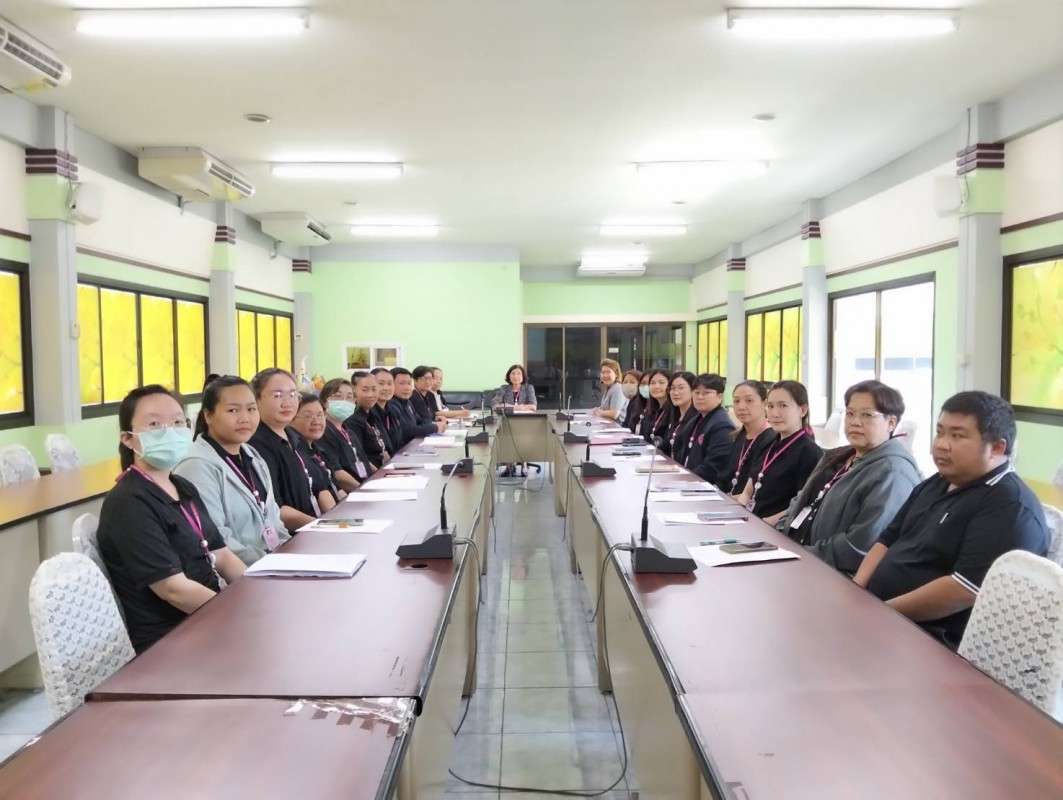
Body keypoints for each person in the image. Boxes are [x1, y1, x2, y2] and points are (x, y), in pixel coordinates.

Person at [853, 391, 1049, 650]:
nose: (942, 445)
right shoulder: (938, 482)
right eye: (940, 432)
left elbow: (962, 590)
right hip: (882, 615)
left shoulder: (1009, 506)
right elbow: (887, 540)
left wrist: (879, 613)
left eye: (957, 436)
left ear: (997, 448)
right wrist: (856, 593)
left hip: (932, 640)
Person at [97, 385, 246, 654]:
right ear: (128, 439)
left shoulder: (182, 486)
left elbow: (222, 556)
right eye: (154, 424)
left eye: (177, 422)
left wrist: (254, 597)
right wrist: (236, 617)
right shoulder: (129, 503)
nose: (169, 431)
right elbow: (173, 589)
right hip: (172, 642)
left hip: (208, 618)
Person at [779, 380, 922, 576]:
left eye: (867, 415)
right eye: (850, 413)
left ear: (891, 423)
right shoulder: (839, 456)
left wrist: (799, 554)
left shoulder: (893, 472)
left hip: (835, 575)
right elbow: (801, 501)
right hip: (798, 557)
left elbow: (860, 546)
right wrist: (778, 538)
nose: (855, 422)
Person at [174, 376, 288, 566]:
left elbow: (274, 520)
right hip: (240, 572)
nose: (245, 418)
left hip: (272, 564)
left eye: (251, 409)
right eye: (233, 410)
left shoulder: (252, 456)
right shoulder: (196, 466)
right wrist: (271, 562)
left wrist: (290, 552)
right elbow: (216, 539)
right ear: (208, 416)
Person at [248, 368, 329, 532]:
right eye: (277, 396)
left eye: (292, 395)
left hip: (315, 527)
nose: (287, 403)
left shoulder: (294, 436)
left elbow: (321, 487)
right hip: (291, 536)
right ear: (255, 400)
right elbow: (275, 509)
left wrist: (334, 521)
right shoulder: (256, 445)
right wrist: (322, 526)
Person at [736, 380, 822, 524]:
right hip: (751, 521)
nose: (775, 413)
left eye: (783, 406)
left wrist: (764, 523)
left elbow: (803, 505)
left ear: (803, 410)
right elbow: (747, 491)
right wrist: (737, 514)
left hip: (774, 528)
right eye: (770, 406)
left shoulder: (810, 452)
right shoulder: (769, 442)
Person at [673, 373, 735, 483]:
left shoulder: (722, 426)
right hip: (688, 479)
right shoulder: (696, 419)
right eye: (696, 392)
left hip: (704, 484)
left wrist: (684, 481)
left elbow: (713, 468)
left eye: (706, 393)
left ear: (719, 397)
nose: (700, 397)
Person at [313, 378, 372, 493]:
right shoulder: (323, 431)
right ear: (324, 401)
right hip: (349, 493)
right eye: (338, 396)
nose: (344, 401)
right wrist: (364, 491)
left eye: (349, 397)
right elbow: (337, 473)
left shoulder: (347, 431)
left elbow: (364, 461)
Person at [717, 379, 775, 496]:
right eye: (736, 401)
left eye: (749, 400)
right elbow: (728, 475)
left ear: (765, 403)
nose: (741, 407)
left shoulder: (770, 439)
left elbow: (756, 492)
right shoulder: (742, 435)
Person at [289, 393, 346, 504]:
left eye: (320, 415)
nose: (316, 422)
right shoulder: (296, 455)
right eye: (308, 416)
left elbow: (337, 489)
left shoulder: (319, 450)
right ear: (291, 420)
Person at [345, 371, 392, 468]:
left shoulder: (373, 415)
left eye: (374, 389)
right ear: (353, 391)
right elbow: (359, 456)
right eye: (365, 390)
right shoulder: (352, 419)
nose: (370, 395)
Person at [389, 367, 447, 443]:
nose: (407, 388)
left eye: (409, 383)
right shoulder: (392, 405)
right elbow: (407, 431)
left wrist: (434, 423)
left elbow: (420, 420)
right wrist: (434, 427)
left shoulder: (407, 402)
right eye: (402, 383)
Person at [662, 371, 698, 457]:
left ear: (693, 390)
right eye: (672, 388)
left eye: (681, 388)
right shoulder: (673, 416)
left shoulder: (697, 419)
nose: (675, 392)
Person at [372, 367, 407, 449]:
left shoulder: (394, 410)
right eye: (381, 383)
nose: (386, 388)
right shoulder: (368, 413)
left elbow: (400, 441)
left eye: (390, 384)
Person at [639, 369, 672, 444]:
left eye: (661, 383)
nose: (656, 386)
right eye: (652, 383)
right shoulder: (651, 410)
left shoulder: (673, 411)